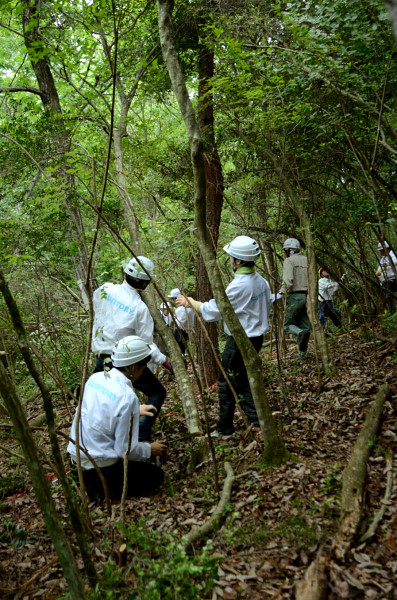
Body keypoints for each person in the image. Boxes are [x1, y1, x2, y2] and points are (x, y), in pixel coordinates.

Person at [177, 235, 272, 437]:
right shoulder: (261, 281)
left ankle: (225, 428)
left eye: (231, 257)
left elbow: (213, 311)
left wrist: (191, 302)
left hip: (239, 342)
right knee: (245, 379)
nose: (230, 261)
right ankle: (255, 421)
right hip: (256, 339)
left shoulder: (240, 285)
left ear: (238, 261)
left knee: (226, 382)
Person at [68, 336, 167, 502]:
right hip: (99, 471)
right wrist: (150, 449)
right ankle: (102, 492)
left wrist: (136, 410)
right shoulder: (127, 397)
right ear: (134, 366)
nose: (142, 373)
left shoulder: (96, 379)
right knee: (156, 475)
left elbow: (101, 411)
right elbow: (124, 450)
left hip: (75, 463)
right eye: (143, 369)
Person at [91, 256, 172, 441]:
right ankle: (141, 436)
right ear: (144, 283)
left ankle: (102, 442)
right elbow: (146, 345)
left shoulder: (104, 289)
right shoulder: (139, 307)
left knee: (103, 402)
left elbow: (95, 305)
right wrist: (165, 362)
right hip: (125, 363)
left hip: (101, 360)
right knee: (157, 392)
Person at [279, 238, 311, 359]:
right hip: (308, 296)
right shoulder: (307, 259)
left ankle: (300, 334)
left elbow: (288, 281)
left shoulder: (289, 261)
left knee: (288, 325)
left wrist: (281, 292)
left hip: (295, 297)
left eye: (286, 250)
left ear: (290, 250)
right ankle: (302, 356)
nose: (285, 253)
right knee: (305, 326)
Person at [168, 288, 195, 358]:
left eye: (173, 299)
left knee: (179, 350)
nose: (173, 301)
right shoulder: (184, 307)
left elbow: (180, 323)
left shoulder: (183, 308)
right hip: (183, 332)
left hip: (182, 332)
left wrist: (174, 317)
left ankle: (182, 363)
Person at [375, 241, 397, 313]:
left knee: (390, 297)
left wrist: (385, 265)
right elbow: (379, 270)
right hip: (385, 282)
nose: (381, 252)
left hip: (393, 280)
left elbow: (394, 261)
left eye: (382, 250)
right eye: (380, 250)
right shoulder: (382, 258)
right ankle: (391, 313)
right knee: (387, 299)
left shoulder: (392, 255)